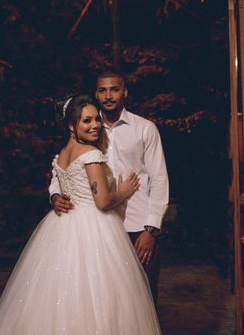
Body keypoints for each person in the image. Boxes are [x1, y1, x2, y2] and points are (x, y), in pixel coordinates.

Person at [0, 95, 161, 334]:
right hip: (93, 226)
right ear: (71, 125)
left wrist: (56, 196)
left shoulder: (63, 153)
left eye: (96, 119)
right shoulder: (90, 155)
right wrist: (124, 191)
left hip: (63, 225)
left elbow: (61, 181)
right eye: (86, 121)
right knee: (99, 292)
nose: (95, 125)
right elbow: (103, 201)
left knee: (57, 290)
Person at [51, 71, 169, 305]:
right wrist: (54, 193)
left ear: (124, 92)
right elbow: (64, 166)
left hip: (137, 226)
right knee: (105, 302)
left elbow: (159, 180)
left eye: (114, 89)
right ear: (96, 94)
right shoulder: (88, 127)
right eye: (102, 90)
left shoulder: (145, 129)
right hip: (99, 228)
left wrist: (151, 229)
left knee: (142, 302)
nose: (108, 95)